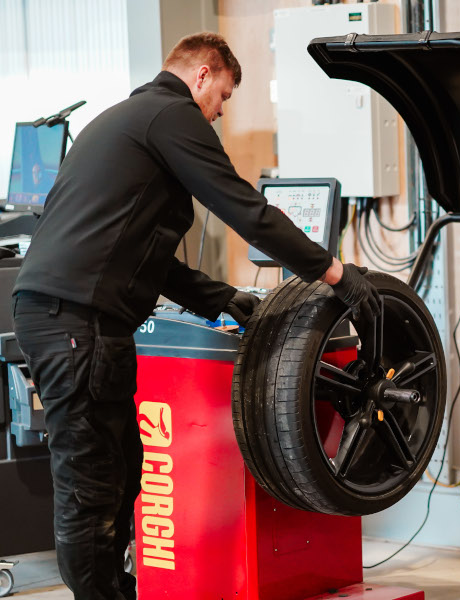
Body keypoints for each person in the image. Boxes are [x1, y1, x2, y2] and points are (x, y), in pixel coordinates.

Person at [12, 32, 379, 600]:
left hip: (72, 317)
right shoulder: (171, 114)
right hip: (75, 322)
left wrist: (219, 299)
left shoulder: (125, 119)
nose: (220, 113)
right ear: (203, 75)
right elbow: (246, 210)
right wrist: (332, 270)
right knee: (92, 482)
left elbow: (139, 254)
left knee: (120, 468)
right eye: (224, 98)